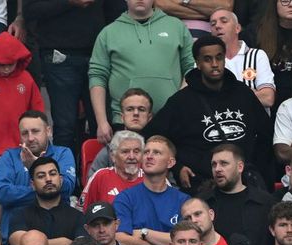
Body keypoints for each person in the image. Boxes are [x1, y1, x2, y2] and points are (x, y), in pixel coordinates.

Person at [145, 36, 274, 190]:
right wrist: (177, 167)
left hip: (243, 182)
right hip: (202, 185)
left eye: (219, 58)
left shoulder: (243, 94)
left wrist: (256, 167)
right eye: (207, 59)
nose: (214, 64)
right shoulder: (181, 101)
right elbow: (152, 136)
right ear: (198, 63)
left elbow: (266, 134)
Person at [88, 0, 194, 143]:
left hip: (172, 119)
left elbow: (191, 68)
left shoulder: (177, 27)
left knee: (169, 164)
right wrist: (101, 122)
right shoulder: (108, 32)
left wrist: (178, 103)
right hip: (126, 121)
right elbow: (97, 77)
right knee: (129, 164)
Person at [0, 112, 78, 240]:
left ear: (48, 131)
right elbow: (3, 194)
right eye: (25, 133)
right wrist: (46, 191)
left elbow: (66, 188)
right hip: (16, 238)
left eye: (35, 131)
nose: (30, 138)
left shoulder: (62, 153)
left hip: (57, 235)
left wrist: (36, 166)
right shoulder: (10, 156)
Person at [213, 9, 277, 107]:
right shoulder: (207, 60)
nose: (217, 26)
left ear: (237, 28)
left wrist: (223, 95)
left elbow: (267, 98)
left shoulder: (257, 55)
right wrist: (249, 93)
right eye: (213, 24)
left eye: (224, 21)